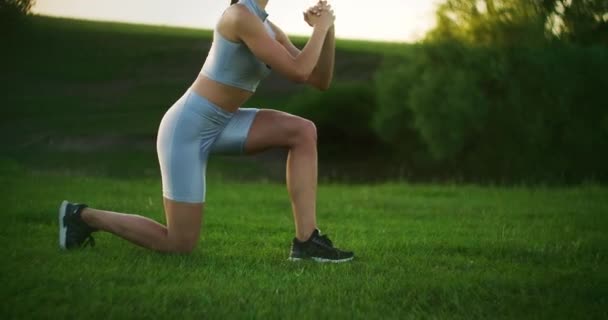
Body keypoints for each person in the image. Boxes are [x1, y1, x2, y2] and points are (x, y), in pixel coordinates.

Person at [59, 0, 354, 263]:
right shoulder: (238, 16)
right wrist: (320, 27)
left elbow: (318, 79)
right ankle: (81, 216)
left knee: (302, 131)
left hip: (226, 121)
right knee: (179, 244)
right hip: (187, 129)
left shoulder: (269, 28)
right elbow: (300, 71)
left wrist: (328, 31)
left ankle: (307, 242)